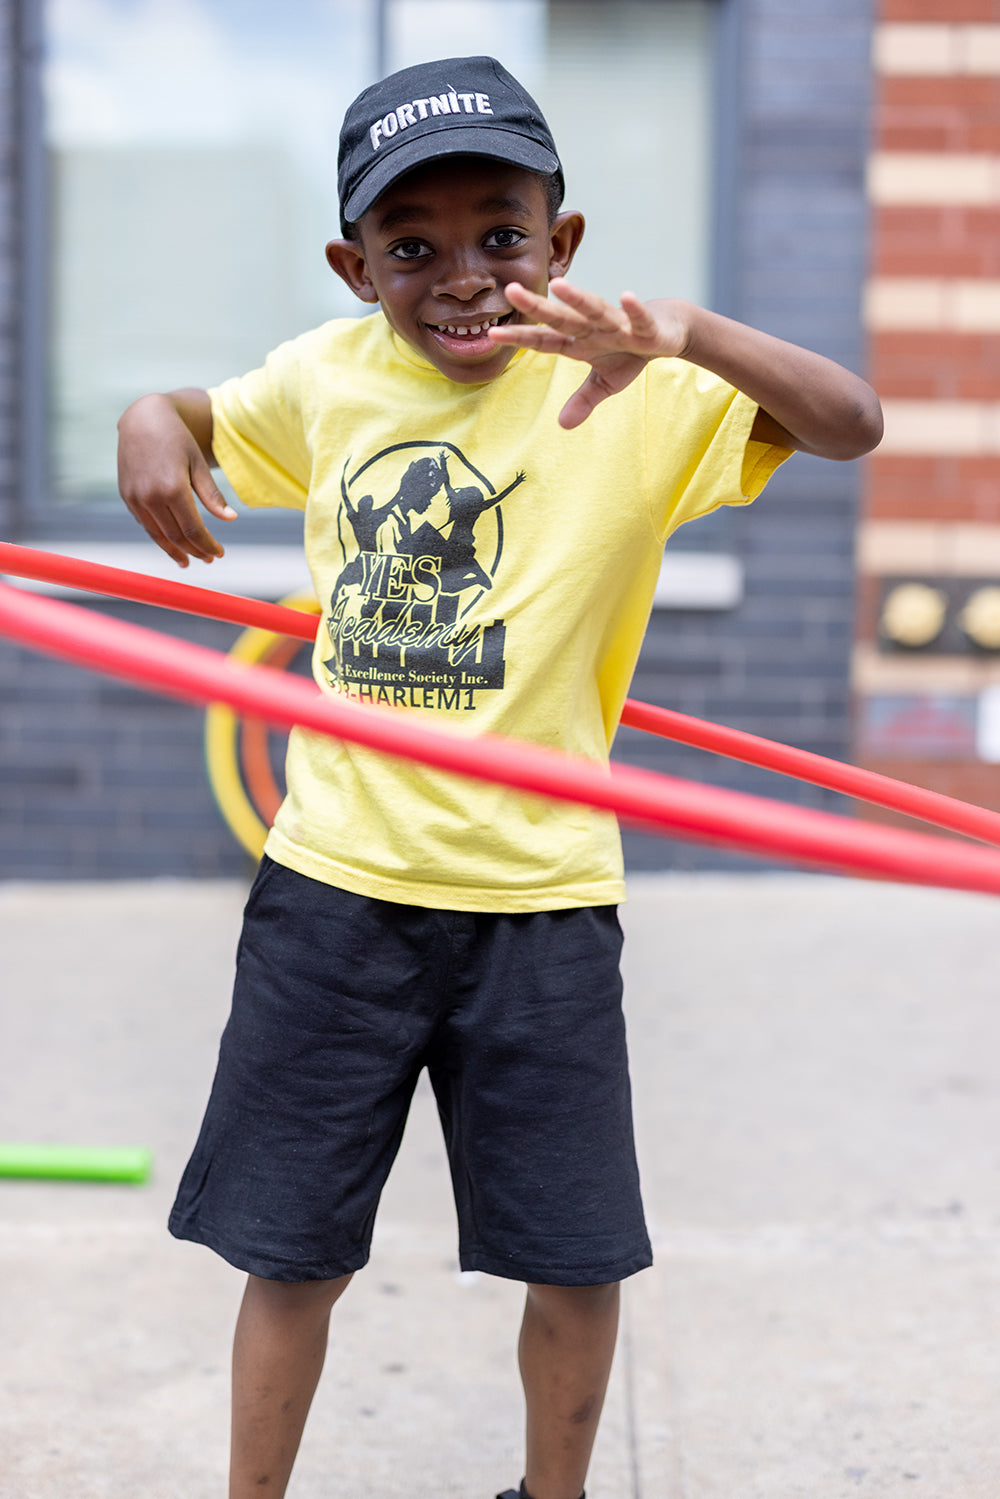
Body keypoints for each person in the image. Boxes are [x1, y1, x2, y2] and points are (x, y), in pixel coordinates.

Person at [116, 54, 882, 1499]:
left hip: (541, 897)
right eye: (412, 246)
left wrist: (689, 334)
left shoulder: (639, 392)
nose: (463, 275)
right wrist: (152, 419)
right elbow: (193, 415)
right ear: (355, 267)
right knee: (291, 1251)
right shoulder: (326, 379)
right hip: (336, 892)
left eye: (502, 234)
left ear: (563, 242)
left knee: (575, 1257)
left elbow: (852, 422)